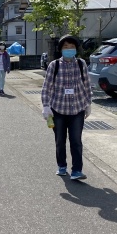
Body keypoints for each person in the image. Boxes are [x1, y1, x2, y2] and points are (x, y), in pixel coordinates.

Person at [41, 35, 92, 181]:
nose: (69, 49)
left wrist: (88, 103)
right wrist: (46, 106)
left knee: (76, 141)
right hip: (58, 109)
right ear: (61, 49)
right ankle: (62, 166)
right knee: (60, 140)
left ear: (76, 49)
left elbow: (87, 85)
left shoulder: (81, 64)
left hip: (77, 109)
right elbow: (46, 87)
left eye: (72, 47)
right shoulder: (54, 65)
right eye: (66, 47)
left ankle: (77, 170)